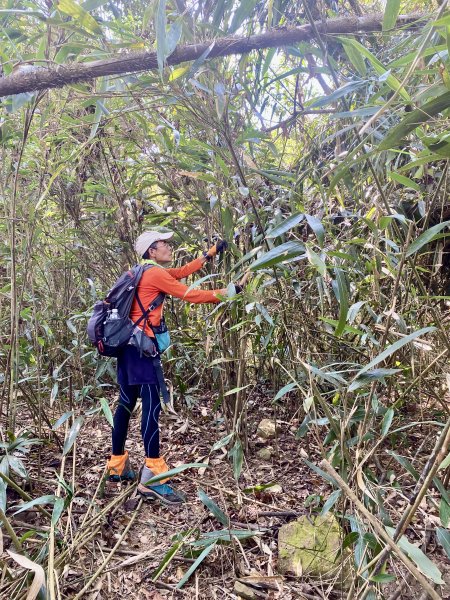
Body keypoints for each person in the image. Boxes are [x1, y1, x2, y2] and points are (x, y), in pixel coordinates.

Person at [106, 230, 233, 505]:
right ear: (152, 250)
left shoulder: (143, 271)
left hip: (127, 346)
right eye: (164, 244)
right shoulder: (154, 274)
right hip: (143, 348)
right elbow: (191, 295)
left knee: (125, 404)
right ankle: (153, 478)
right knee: (152, 406)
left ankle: (117, 466)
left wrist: (209, 255)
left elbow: (181, 272)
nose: (168, 247)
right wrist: (227, 293)